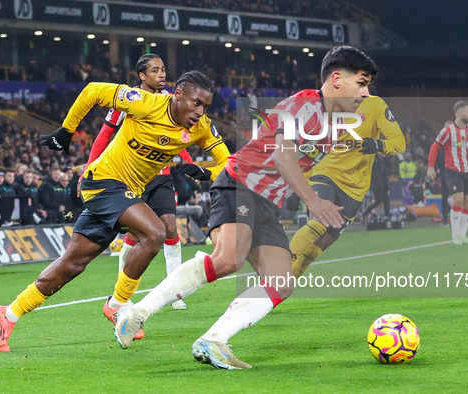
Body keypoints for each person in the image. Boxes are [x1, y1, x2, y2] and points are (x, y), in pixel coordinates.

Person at [112, 46, 374, 369]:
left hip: (265, 202)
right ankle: (136, 313)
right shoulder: (305, 105)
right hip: (239, 183)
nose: (366, 92)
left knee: (282, 280)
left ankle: (214, 339)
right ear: (337, 79)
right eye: (361, 83)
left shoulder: (337, 122)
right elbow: (282, 155)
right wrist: (313, 202)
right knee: (229, 258)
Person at [0, 70, 229, 352]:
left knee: (71, 265)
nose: (200, 112)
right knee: (155, 233)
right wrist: (66, 131)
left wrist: (205, 172)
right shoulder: (144, 103)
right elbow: (92, 90)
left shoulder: (201, 128)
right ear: (177, 95)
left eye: (206, 107)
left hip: (124, 196)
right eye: (196, 103)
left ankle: (9, 314)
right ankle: (117, 306)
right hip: (103, 182)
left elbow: (228, 163)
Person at [83, 54, 193, 315]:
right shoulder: (128, 100)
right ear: (142, 76)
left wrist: (189, 163)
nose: (162, 74)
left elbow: (183, 137)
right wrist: (89, 167)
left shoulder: (171, 101)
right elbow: (105, 134)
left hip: (162, 176)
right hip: (133, 178)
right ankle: (122, 295)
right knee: (136, 236)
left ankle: (174, 292)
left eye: (164, 69)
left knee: (169, 229)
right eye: (155, 70)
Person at [289, 92, 405, 278]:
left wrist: (378, 144)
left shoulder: (375, 105)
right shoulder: (326, 106)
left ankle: (276, 290)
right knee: (319, 223)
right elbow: (311, 151)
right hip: (326, 174)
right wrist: (298, 189)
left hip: (354, 189)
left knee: (317, 248)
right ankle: (276, 272)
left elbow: (400, 144)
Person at [427, 101, 468, 245]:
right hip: (452, 171)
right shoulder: (448, 131)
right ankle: (455, 235)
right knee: (458, 199)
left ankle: (463, 235)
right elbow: (434, 148)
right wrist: (430, 167)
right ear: (459, 113)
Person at [360, 154, 391, 221]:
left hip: (384, 184)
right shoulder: (373, 157)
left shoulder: (382, 158)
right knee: (378, 201)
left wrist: (385, 157)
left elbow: (389, 165)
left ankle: (387, 216)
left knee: (386, 200)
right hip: (377, 184)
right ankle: (364, 214)